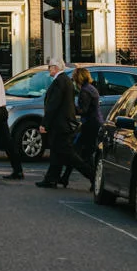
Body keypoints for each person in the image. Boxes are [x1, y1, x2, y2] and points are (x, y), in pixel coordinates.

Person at [39, 59, 93, 189]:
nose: (48, 69)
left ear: (55, 68)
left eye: (50, 67)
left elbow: (53, 105)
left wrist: (44, 124)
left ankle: (93, 176)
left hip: (60, 125)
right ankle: (51, 179)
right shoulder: (66, 80)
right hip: (63, 124)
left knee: (69, 155)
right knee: (56, 153)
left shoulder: (59, 82)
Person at [57, 66, 101, 187]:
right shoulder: (91, 88)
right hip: (94, 124)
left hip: (89, 125)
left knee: (79, 154)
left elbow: (84, 110)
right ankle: (65, 178)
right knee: (77, 153)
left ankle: (94, 179)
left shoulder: (85, 91)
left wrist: (71, 109)